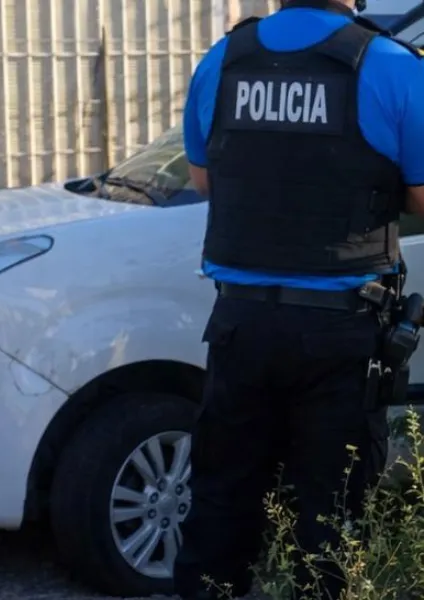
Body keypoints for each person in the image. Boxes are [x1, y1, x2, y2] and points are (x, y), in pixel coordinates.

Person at [174, 0, 424, 598]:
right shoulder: (390, 64)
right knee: (330, 520)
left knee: (220, 508)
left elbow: (205, 179)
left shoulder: (224, 59)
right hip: (340, 334)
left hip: (241, 325)